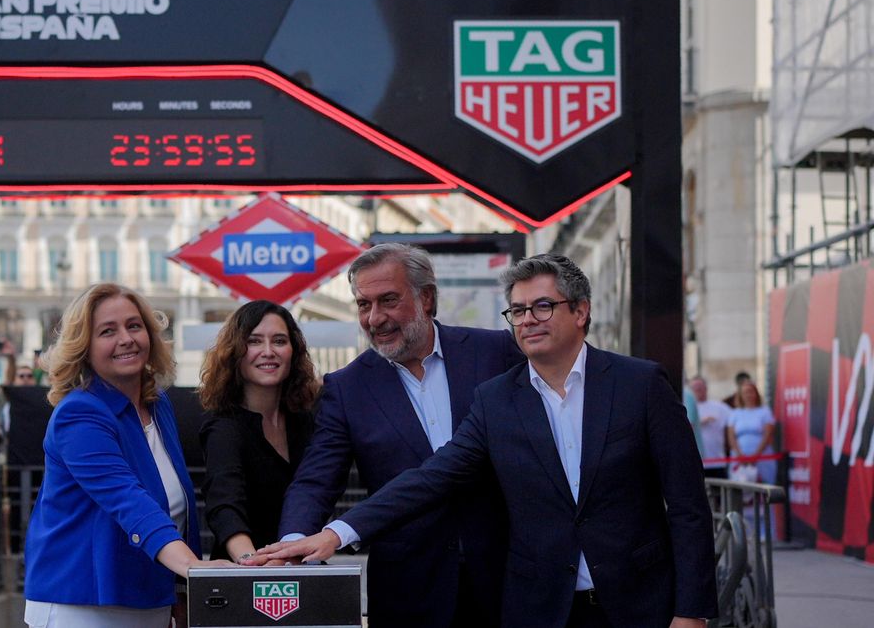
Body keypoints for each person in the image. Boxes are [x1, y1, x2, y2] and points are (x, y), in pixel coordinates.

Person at [256, 254, 717, 628]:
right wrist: (323, 537)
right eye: (518, 311)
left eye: (390, 300)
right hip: (444, 593)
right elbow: (427, 475)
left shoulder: (520, 360)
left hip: (572, 591)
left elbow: (689, 506)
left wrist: (691, 609)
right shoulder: (482, 396)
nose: (375, 317)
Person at [277, 243, 522, 627]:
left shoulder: (495, 352)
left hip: (506, 579)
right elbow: (316, 480)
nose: (375, 318)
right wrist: (294, 541)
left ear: (426, 297)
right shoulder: (347, 387)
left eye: (388, 300)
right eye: (363, 304)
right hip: (409, 590)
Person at [24, 284, 232, 627]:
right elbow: (130, 501)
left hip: (149, 600)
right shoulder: (79, 413)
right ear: (84, 348)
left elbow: (176, 508)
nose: (126, 338)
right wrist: (194, 569)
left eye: (134, 326)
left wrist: (181, 589)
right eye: (108, 331)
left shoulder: (157, 404)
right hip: (81, 605)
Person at [199, 301, 318, 562]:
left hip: (303, 569)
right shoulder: (224, 427)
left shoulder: (306, 421)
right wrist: (253, 563)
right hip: (247, 575)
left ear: (293, 351)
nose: (268, 351)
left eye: (279, 341)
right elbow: (225, 505)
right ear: (235, 352)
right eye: (253, 341)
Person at [726, 381, 776, 484]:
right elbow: (731, 437)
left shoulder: (765, 411)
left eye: (751, 391)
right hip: (739, 457)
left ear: (756, 393)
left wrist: (755, 455)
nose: (748, 395)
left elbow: (767, 435)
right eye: (745, 392)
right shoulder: (735, 413)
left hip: (762, 457)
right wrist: (740, 455)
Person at [691, 376, 732, 479]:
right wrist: (700, 422)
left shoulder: (720, 407)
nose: (698, 390)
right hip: (695, 462)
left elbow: (733, 426)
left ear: (706, 388)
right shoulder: (686, 407)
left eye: (700, 387)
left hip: (717, 461)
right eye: (695, 387)